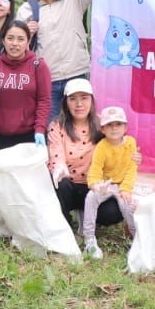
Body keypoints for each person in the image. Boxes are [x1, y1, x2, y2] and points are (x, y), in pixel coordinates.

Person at [18, 0, 94, 122]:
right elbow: (16, 47)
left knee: (81, 127)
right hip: (48, 79)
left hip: (77, 73)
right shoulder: (27, 10)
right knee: (50, 128)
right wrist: (27, 33)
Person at [46, 79, 121, 230]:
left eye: (84, 98)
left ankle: (86, 214)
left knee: (114, 212)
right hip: (68, 186)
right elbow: (56, 151)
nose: (79, 104)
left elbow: (119, 147)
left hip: (93, 187)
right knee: (59, 184)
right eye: (73, 99)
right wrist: (59, 166)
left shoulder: (103, 124)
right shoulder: (57, 125)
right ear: (66, 102)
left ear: (92, 100)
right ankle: (65, 226)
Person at [0, 21, 51, 149]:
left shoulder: (38, 65)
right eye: (10, 38)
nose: (15, 43)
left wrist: (40, 129)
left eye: (20, 39)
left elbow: (44, 100)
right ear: (4, 41)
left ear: (28, 42)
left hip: (29, 135)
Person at [81, 106, 137, 259]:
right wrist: (95, 184)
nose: (114, 128)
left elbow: (132, 168)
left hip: (122, 185)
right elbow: (95, 168)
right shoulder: (101, 147)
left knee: (129, 205)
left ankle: (137, 239)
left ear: (125, 127)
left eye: (118, 124)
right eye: (109, 125)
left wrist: (126, 188)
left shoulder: (131, 143)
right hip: (105, 184)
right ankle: (89, 240)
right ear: (103, 129)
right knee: (91, 198)